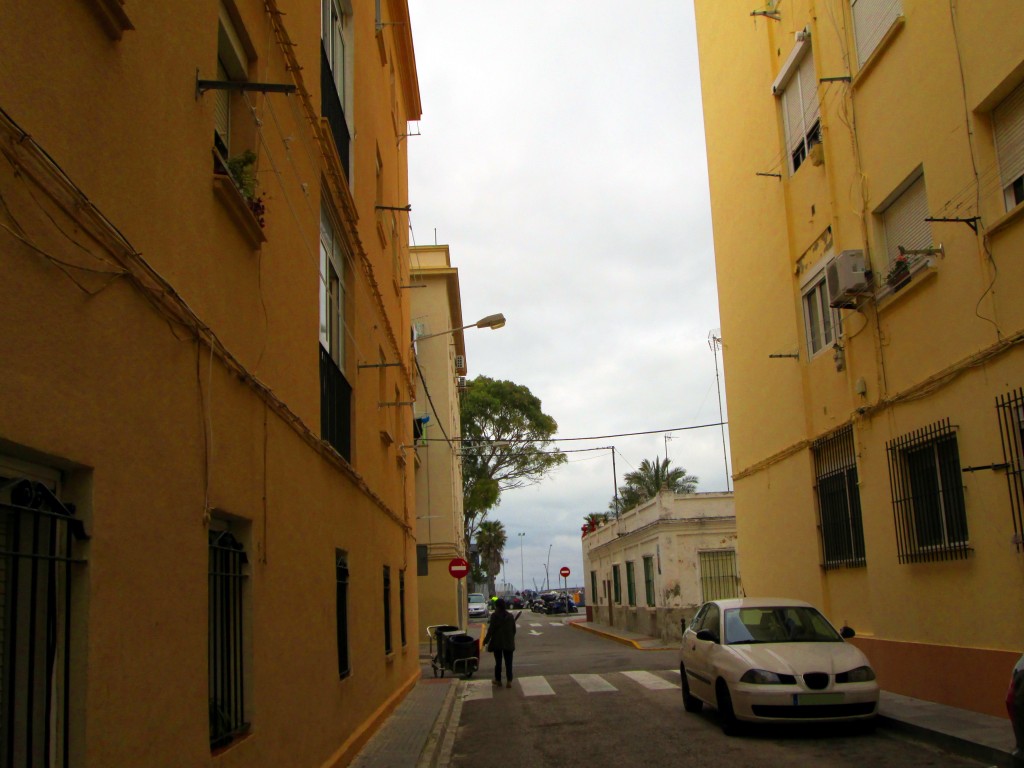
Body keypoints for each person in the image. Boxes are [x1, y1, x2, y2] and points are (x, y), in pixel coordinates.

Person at [483, 598, 516, 688]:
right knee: (509, 663)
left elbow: (491, 630)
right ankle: (509, 681)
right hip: (508, 642)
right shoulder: (510, 616)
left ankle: (498, 680)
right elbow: (514, 630)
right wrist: (510, 638)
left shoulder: (494, 616)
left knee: (498, 662)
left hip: (497, 642)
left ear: (497, 606)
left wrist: (485, 640)